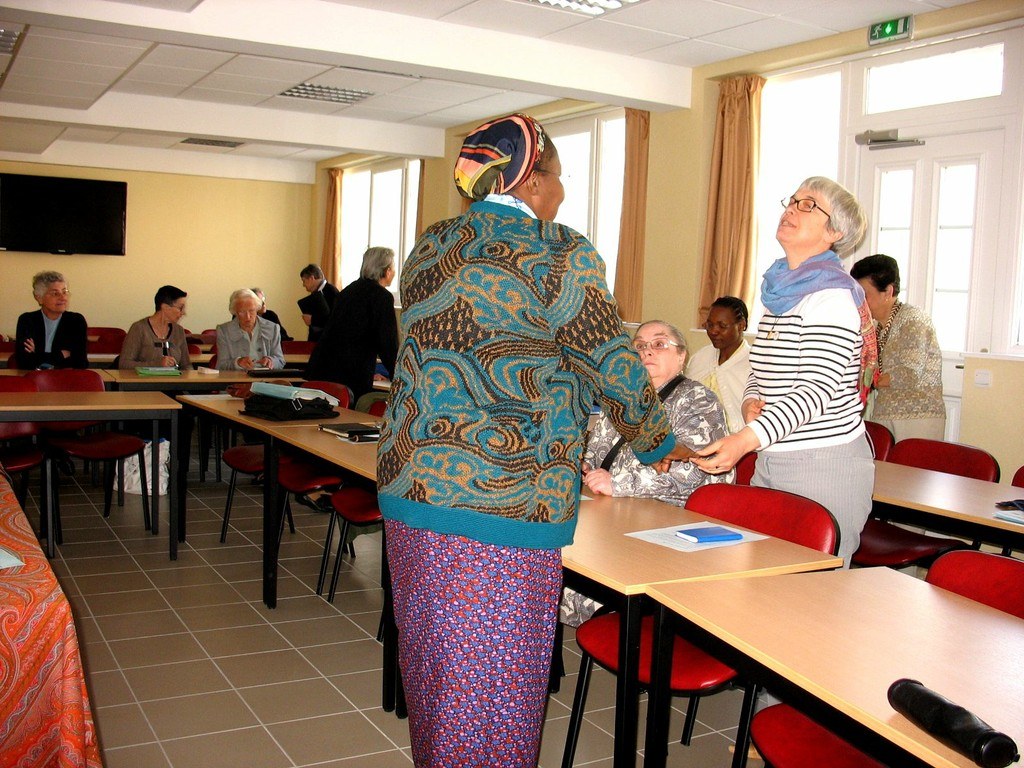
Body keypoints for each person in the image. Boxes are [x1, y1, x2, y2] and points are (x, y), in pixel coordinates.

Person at [376, 113, 688, 767]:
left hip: (411, 486)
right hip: (502, 496)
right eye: (560, 178)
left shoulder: (430, 246)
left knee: (436, 669)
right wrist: (661, 443)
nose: (563, 193)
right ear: (533, 181)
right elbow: (611, 362)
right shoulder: (558, 252)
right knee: (493, 685)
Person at [693, 177, 877, 566]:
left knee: (814, 593)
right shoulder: (782, 293)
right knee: (762, 582)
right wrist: (750, 400)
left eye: (808, 205)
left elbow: (815, 390)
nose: (792, 208)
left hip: (822, 464)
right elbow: (760, 369)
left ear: (835, 232)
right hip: (773, 456)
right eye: (792, 201)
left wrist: (744, 440)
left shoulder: (831, 298)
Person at [562, 319, 730, 628]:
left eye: (659, 344)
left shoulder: (698, 400)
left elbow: (695, 470)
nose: (647, 352)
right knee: (557, 555)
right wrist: (583, 465)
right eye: (639, 346)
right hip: (610, 514)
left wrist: (618, 483)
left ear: (681, 356)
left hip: (665, 525)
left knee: (578, 570)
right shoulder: (625, 399)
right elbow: (597, 451)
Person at [851, 253, 946, 442]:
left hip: (917, 418)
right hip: (886, 415)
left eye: (864, 295)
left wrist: (871, 379)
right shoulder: (876, 327)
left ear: (887, 291)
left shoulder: (914, 320)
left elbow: (909, 374)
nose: (858, 302)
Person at [305, 246, 399, 401]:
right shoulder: (382, 297)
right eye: (393, 268)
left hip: (323, 367)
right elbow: (387, 343)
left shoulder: (348, 291)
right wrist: (399, 377)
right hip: (350, 374)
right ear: (387, 270)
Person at [685, 296, 751, 433]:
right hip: (696, 436)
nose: (713, 331)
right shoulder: (700, 357)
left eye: (722, 326)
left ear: (741, 325)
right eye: (710, 325)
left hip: (738, 439)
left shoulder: (753, 363)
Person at [15, 270, 88, 370]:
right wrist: (61, 355)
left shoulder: (76, 321)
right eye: (55, 293)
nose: (63, 298)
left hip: (65, 378)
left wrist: (37, 353)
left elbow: (80, 362)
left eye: (64, 292)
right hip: (34, 378)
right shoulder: (27, 320)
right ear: (39, 298)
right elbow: (24, 361)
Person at [120, 285, 192, 368]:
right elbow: (124, 364)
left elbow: (186, 365)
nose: (183, 313)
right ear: (165, 307)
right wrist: (156, 364)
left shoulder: (179, 331)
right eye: (181, 308)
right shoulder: (139, 328)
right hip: (142, 377)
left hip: (174, 377)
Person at [215, 288, 285, 371]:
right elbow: (221, 365)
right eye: (242, 312)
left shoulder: (272, 328)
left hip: (265, 377)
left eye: (251, 311)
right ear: (235, 312)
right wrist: (237, 363)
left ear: (257, 309)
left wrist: (271, 361)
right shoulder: (224, 331)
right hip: (237, 378)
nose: (248, 317)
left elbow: (280, 361)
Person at [297, 264, 339, 341]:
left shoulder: (331, 292)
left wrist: (312, 320)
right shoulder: (316, 293)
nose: (303, 285)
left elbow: (335, 319)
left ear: (311, 278)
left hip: (329, 340)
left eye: (304, 281)